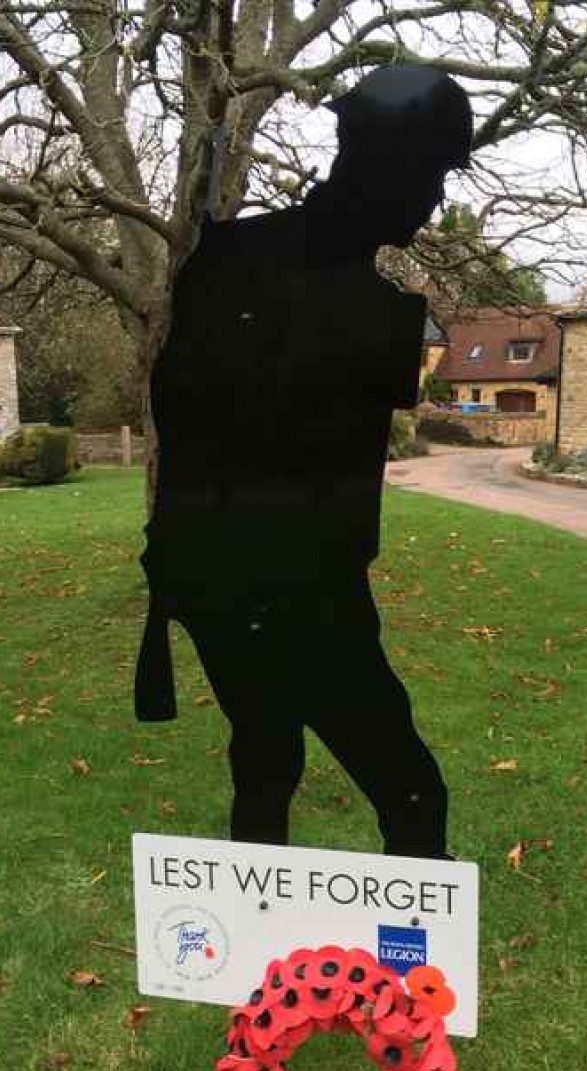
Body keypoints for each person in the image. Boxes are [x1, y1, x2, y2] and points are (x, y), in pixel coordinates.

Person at [135, 65, 473, 858]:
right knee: (409, 791)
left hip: (246, 585)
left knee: (266, 758)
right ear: (393, 167)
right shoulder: (338, 300)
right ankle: (398, 975)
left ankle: (278, 965)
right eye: (433, 176)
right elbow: (201, 423)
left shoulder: (248, 263)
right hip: (282, 593)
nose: (435, 202)